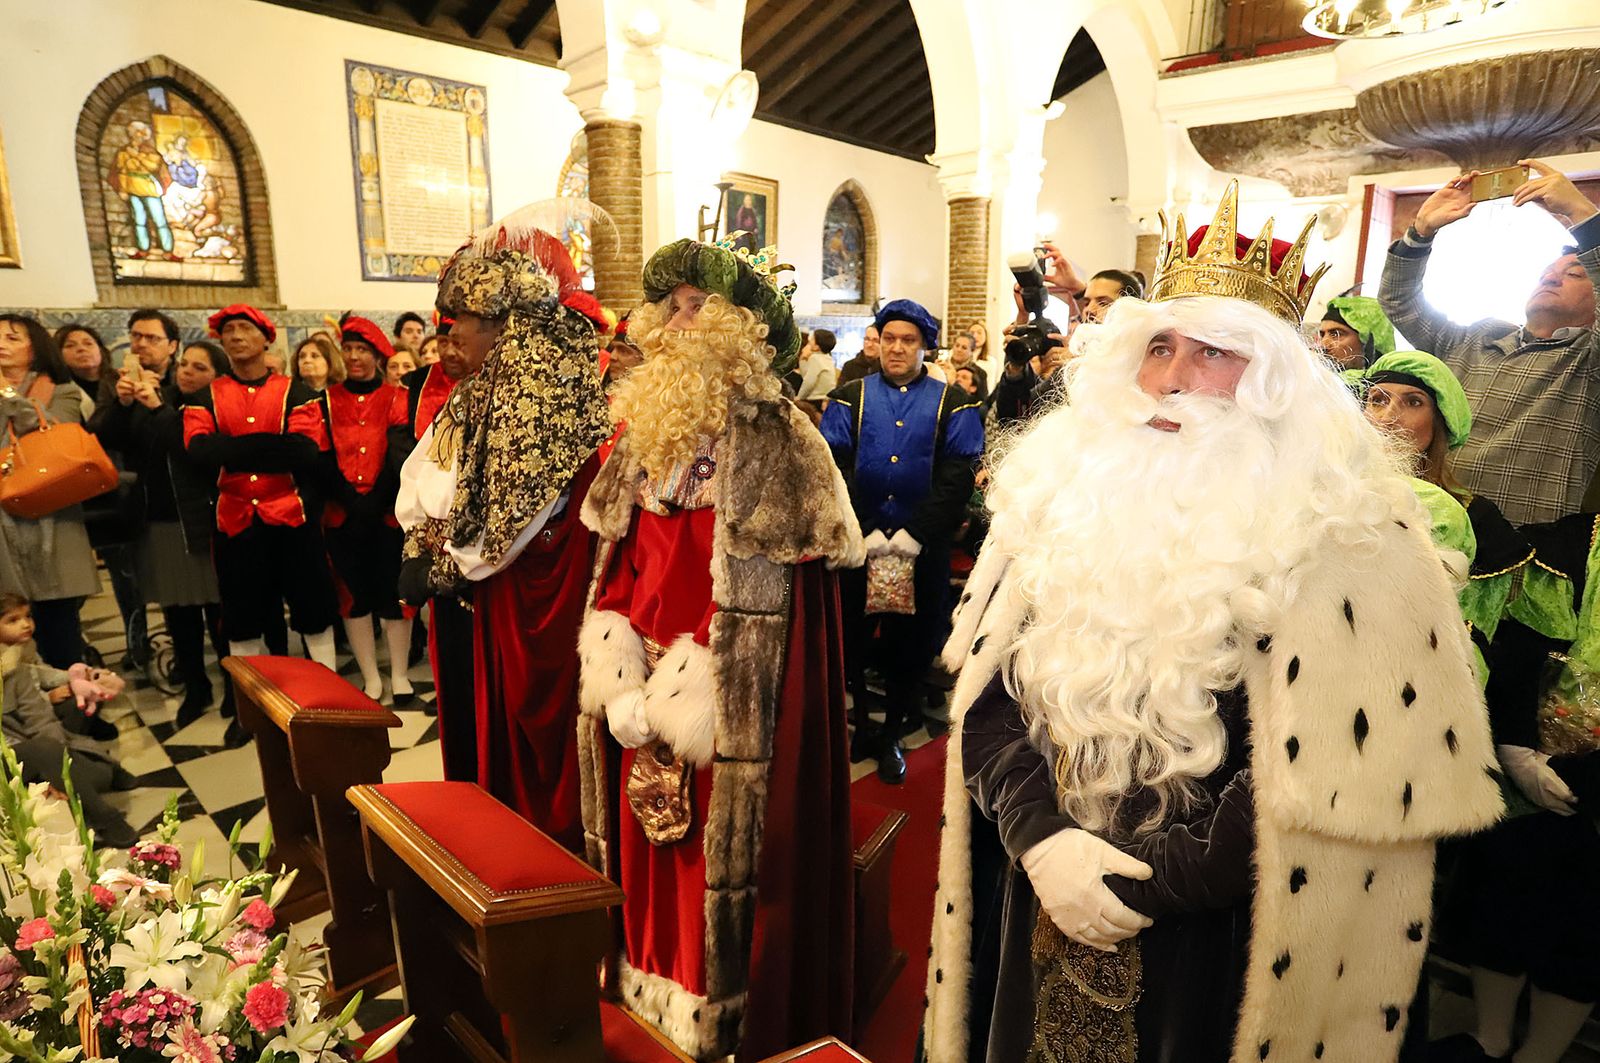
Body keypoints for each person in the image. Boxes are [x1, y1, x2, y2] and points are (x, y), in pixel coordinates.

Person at [923, 183, 1504, 1063]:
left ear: (1276, 381)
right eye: (1159, 344)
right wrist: (1043, 842)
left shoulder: (1356, 534)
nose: (1174, 376)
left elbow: (1341, 776)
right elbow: (989, 696)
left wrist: (1141, 888)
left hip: (1219, 935)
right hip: (1036, 887)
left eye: (1216, 351)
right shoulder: (1061, 501)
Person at [577, 236, 860, 1059]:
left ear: (744, 327)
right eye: (672, 305)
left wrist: (689, 689)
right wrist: (619, 674)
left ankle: (725, 1015)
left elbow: (791, 619)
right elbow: (624, 568)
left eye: (702, 306)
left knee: (723, 868)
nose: (679, 321)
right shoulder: (641, 437)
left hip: (734, 699)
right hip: (644, 682)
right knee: (648, 848)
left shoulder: (783, 442)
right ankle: (642, 986)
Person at [397, 216, 612, 821]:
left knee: (530, 746)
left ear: (502, 325)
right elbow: (431, 472)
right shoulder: (477, 388)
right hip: (485, 586)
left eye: (461, 319)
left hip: (522, 596)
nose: (450, 333)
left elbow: (513, 512)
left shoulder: (537, 393)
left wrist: (445, 566)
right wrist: (419, 537)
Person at [1379, 159, 1600, 524]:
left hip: (1521, 550)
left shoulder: (1588, 359)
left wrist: (1581, 212)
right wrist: (1419, 233)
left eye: (1574, 274)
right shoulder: (1475, 338)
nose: (1552, 279)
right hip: (1434, 525)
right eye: (1546, 273)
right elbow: (1399, 302)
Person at [820, 298, 982, 782]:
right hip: (858, 545)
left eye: (907, 340)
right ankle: (862, 722)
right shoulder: (850, 395)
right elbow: (834, 469)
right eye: (888, 337)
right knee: (850, 637)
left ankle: (892, 731)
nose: (895, 347)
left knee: (907, 646)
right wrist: (861, 530)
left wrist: (915, 533)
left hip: (922, 549)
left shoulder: (953, 401)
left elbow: (958, 477)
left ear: (924, 346)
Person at [183, 304, 339, 673]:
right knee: (241, 615)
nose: (236, 336)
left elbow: (304, 451)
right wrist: (271, 445)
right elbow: (199, 450)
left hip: (292, 517)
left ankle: (330, 694)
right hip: (235, 521)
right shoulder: (206, 396)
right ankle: (250, 703)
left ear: (266, 337)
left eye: (244, 328)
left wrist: (232, 448)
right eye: (229, 330)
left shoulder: (296, 393)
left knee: (313, 607)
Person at [94, 340, 231, 730]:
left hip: (203, 520)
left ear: (217, 376)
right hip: (159, 523)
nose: (187, 371)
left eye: (199, 367)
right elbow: (112, 438)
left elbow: (191, 449)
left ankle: (238, 691)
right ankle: (196, 686)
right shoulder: (159, 398)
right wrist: (123, 405)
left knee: (219, 614)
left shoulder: (214, 407)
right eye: (184, 364)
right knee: (178, 615)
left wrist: (157, 408)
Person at [393, 316, 481, 782]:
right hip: (444, 571)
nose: (448, 349)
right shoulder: (458, 401)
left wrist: (450, 564)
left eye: (459, 337)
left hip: (480, 576)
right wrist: (417, 547)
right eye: (443, 339)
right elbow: (420, 471)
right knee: (458, 702)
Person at [0, 316, 101, 669]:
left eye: (12, 338)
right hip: (3, 522)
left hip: (53, 520)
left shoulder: (64, 391)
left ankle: (78, 710)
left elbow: (54, 436)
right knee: (10, 629)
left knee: (60, 628)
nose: (2, 344)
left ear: (35, 348)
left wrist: (7, 395)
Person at [0, 593, 139, 847]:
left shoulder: (13, 669)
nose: (25, 624)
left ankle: (97, 770)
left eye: (28, 616)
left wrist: (53, 767)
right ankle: (106, 820)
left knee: (96, 773)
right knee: (47, 750)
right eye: (12, 619)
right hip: (9, 756)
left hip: (25, 751)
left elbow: (39, 718)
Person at [323, 316, 413, 703]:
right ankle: (370, 676)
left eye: (363, 350)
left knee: (392, 595)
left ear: (378, 355)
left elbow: (400, 454)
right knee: (353, 595)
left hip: (387, 513)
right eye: (349, 349)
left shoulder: (397, 397)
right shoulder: (324, 400)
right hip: (341, 514)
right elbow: (320, 455)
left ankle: (400, 674)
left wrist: (376, 501)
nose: (355, 357)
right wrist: (349, 500)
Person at [1320, 295, 1397, 371]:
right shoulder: (1318, 381)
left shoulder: (1397, 381)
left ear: (1368, 341)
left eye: (1336, 334)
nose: (1323, 346)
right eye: (1322, 335)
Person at [794, 327, 839, 423]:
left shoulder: (815, 359)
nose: (809, 340)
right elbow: (806, 375)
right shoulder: (827, 358)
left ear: (817, 346)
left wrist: (799, 398)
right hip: (825, 398)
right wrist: (803, 358)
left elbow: (809, 381)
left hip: (815, 400)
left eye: (812, 339)